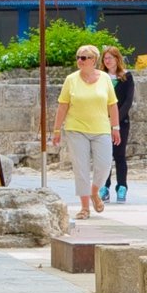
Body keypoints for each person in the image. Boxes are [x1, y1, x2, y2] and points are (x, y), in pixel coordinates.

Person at [57, 43, 120, 223]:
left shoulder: (105, 79)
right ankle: (84, 207)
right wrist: (56, 129)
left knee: (104, 164)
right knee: (81, 168)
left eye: (84, 58)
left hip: (101, 128)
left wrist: (115, 127)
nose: (80, 61)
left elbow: (112, 104)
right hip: (76, 128)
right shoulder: (71, 79)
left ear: (94, 60)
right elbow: (63, 105)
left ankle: (94, 192)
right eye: (78, 57)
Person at [98, 46, 135, 203]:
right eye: (105, 58)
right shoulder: (100, 77)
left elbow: (127, 101)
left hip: (121, 122)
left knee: (119, 155)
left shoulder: (126, 77)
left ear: (117, 59)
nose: (107, 61)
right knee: (104, 156)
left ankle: (122, 186)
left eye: (110, 58)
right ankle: (104, 187)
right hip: (101, 122)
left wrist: (115, 122)